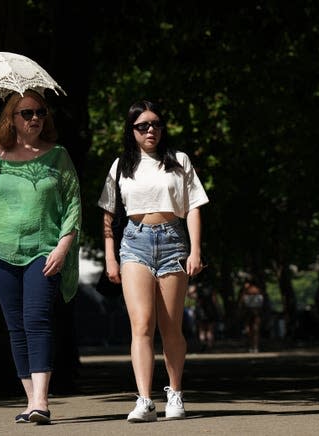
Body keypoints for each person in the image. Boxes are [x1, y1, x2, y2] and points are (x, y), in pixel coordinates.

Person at [0, 90, 81, 424]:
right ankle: (30, 400)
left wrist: (63, 246)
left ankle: (42, 402)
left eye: (41, 113)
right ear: (11, 118)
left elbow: (73, 204)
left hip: (44, 250)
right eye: (27, 113)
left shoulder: (58, 156)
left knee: (37, 320)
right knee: (15, 326)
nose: (35, 119)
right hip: (1, 251)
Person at [98, 100, 209, 422]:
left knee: (171, 326)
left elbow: (194, 206)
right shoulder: (121, 166)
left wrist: (196, 251)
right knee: (142, 324)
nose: (151, 131)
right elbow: (107, 214)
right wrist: (110, 257)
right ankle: (144, 399)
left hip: (174, 241)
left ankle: (175, 393)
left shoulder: (179, 161)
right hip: (134, 242)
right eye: (143, 126)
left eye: (156, 124)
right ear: (131, 130)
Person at [238, 278, 265, 353]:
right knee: (256, 329)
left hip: (248, 311)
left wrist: (240, 309)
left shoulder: (246, 291)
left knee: (249, 329)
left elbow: (241, 301)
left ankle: (251, 346)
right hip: (257, 311)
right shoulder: (258, 290)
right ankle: (255, 346)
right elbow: (262, 302)